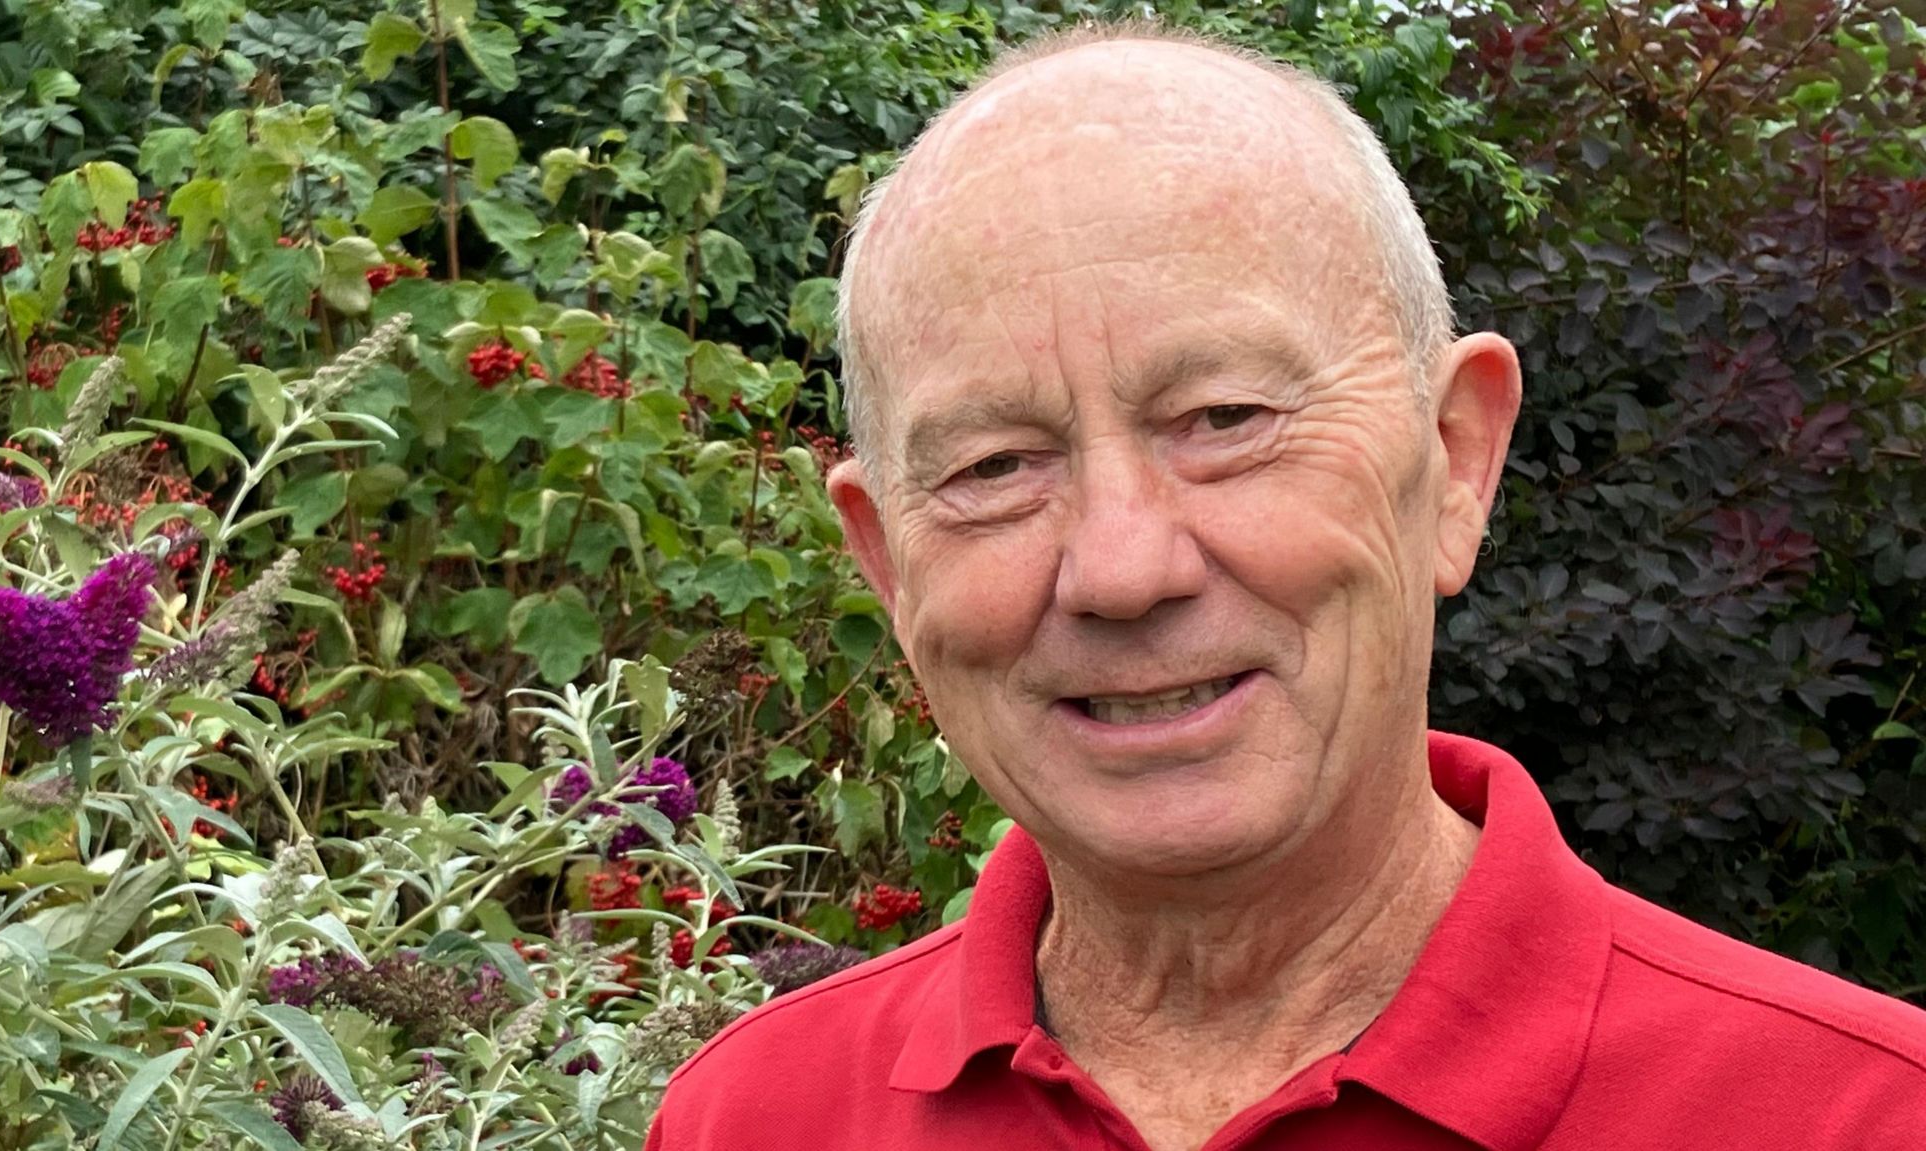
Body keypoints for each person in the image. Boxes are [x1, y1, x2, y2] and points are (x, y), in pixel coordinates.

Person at [646, 20, 1926, 1151]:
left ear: (1452, 460)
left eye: (1223, 416)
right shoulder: (748, 1118)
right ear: (885, 562)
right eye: (993, 465)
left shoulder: (1856, 1116)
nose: (1121, 567)